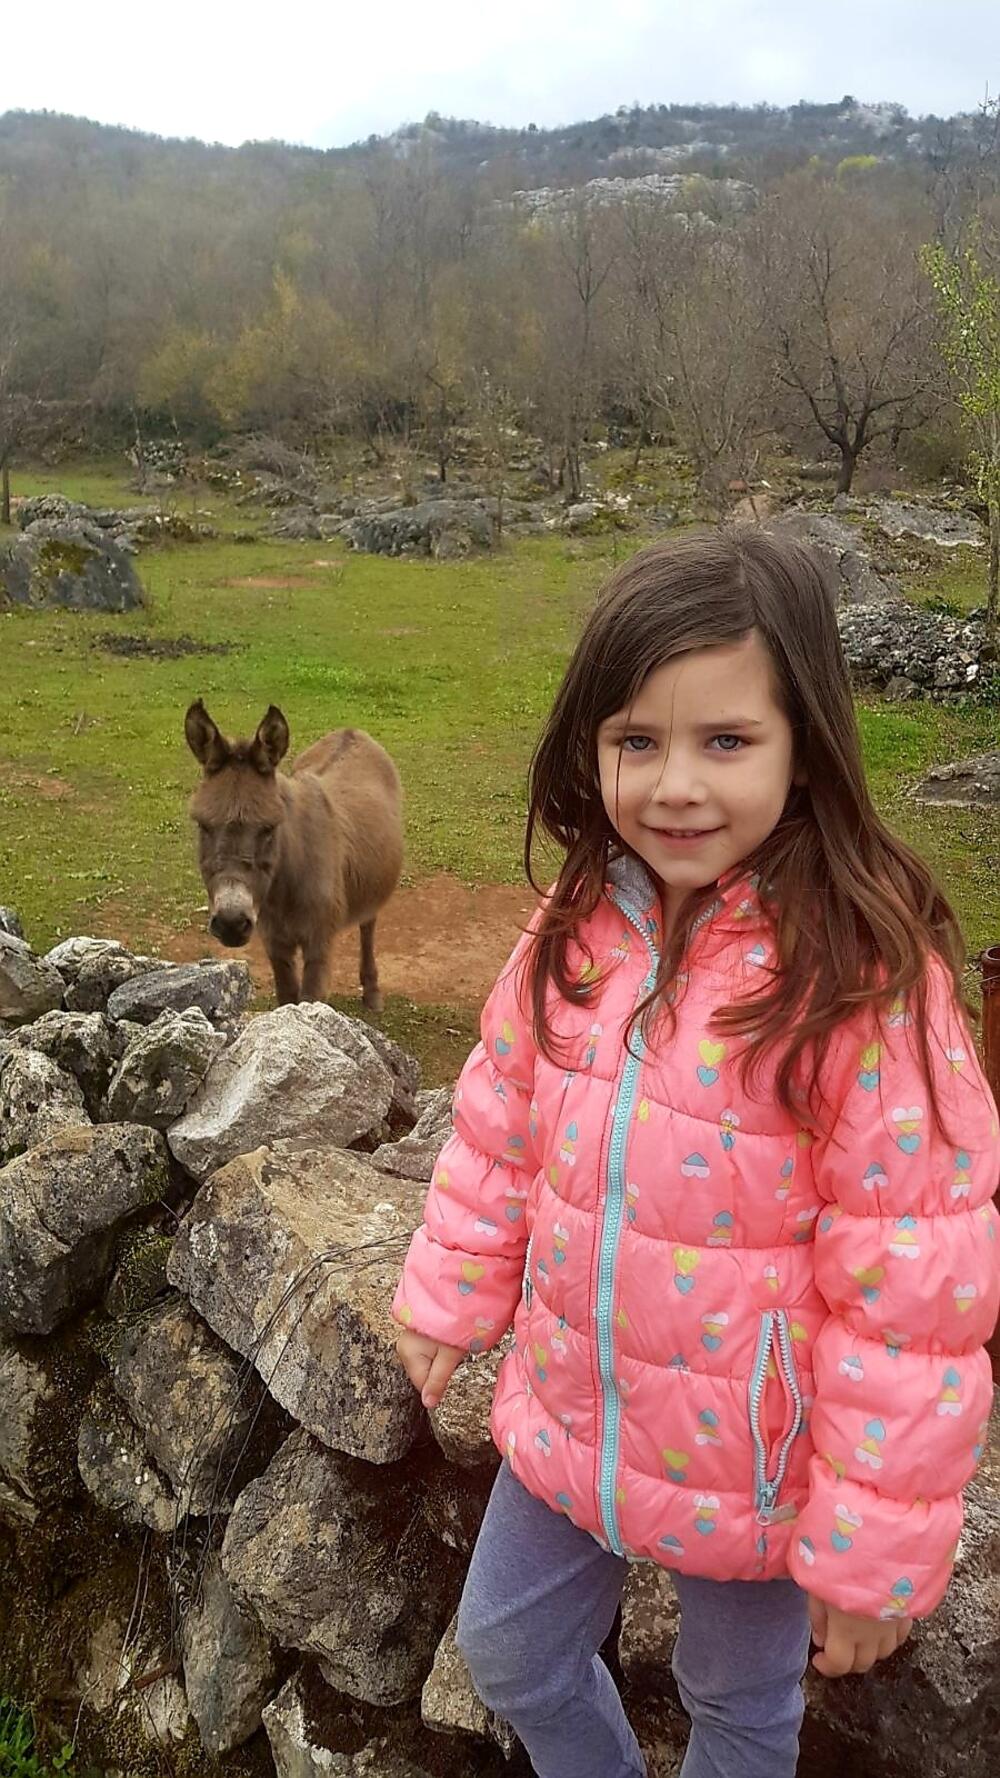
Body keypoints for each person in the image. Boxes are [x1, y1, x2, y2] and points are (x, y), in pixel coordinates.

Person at [393, 527, 1000, 1778]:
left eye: (725, 741)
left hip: (760, 1454)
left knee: (737, 1703)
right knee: (509, 1647)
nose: (674, 784)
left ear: (804, 745)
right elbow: (500, 1117)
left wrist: (872, 1550)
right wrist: (450, 1286)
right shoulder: (574, 924)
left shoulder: (862, 978)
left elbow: (913, 1291)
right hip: (573, 1404)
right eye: (636, 740)